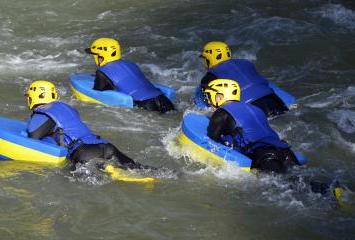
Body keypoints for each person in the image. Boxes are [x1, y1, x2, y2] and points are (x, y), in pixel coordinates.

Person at [203, 78, 344, 198]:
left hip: (265, 155)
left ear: (220, 97)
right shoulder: (256, 109)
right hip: (285, 151)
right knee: (299, 180)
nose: (209, 102)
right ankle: (334, 189)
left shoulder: (222, 112)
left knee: (286, 186)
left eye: (210, 96)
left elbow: (211, 137)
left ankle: (330, 191)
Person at [25, 80, 150, 171]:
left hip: (84, 152)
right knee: (139, 169)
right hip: (105, 146)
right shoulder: (67, 108)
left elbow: (33, 135)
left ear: (33, 98)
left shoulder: (42, 112)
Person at [85, 37, 175, 113]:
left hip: (144, 104)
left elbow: (99, 92)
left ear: (100, 56)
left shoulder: (102, 71)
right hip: (163, 99)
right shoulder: (130, 64)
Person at [198, 41, 288, 117]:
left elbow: (211, 104)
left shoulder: (209, 77)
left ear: (209, 59)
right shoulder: (246, 63)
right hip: (274, 100)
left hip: (248, 108)